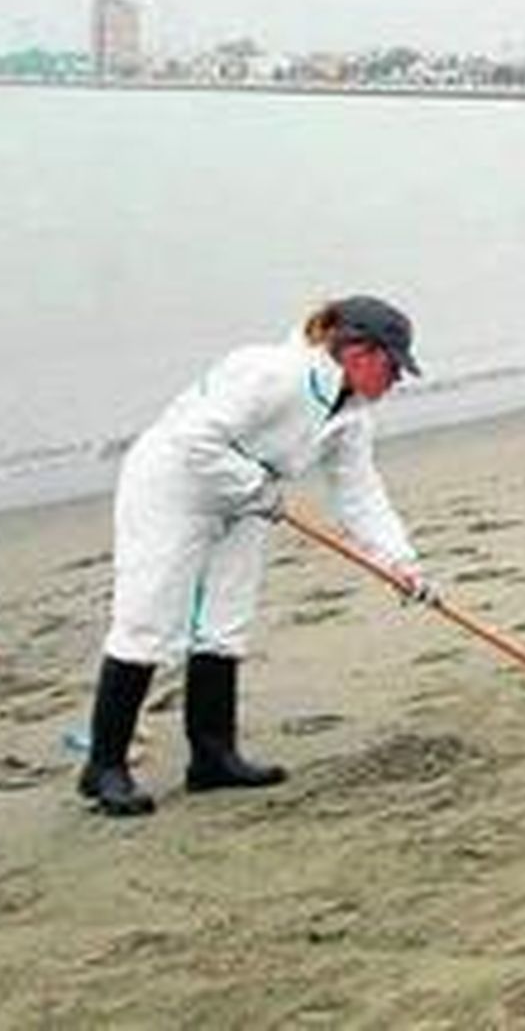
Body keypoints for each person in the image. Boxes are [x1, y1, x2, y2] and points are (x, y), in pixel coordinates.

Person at [79, 294, 432, 817]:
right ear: (358, 353)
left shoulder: (352, 414)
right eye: (392, 366)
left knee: (225, 620)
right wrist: (253, 487)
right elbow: (192, 440)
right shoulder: (271, 374)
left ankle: (213, 756)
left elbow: (359, 492)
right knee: (148, 621)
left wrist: (401, 562)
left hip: (249, 497)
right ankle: (105, 767)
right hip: (173, 487)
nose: (396, 380)